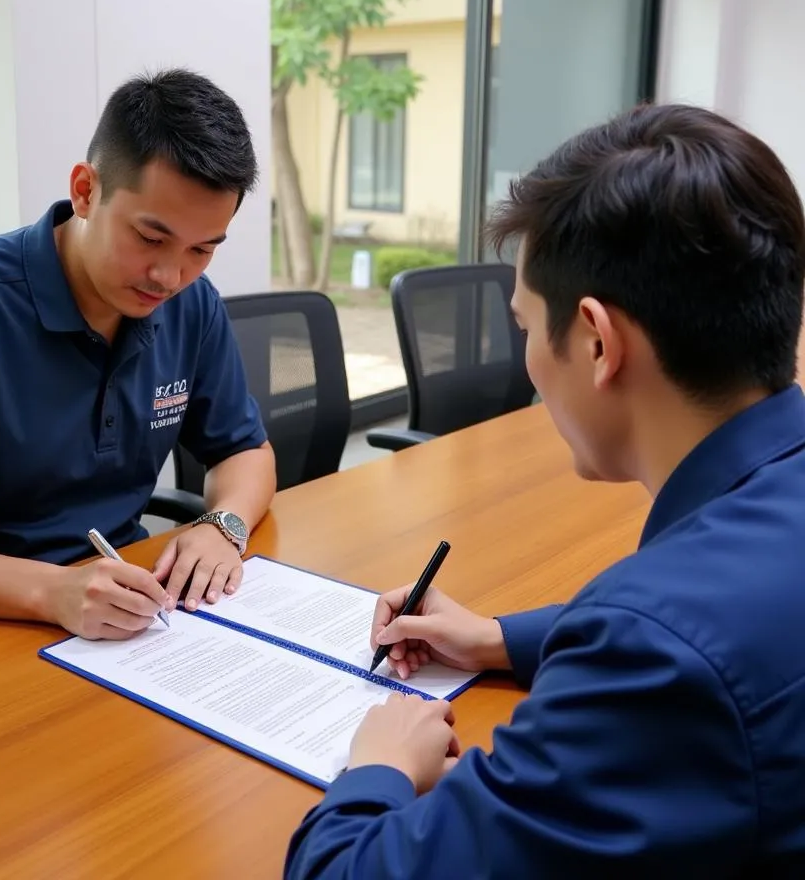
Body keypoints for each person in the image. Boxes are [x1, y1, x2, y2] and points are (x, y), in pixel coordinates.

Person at [285, 103, 805, 878]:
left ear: (597, 342)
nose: (529, 355)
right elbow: (725, 631)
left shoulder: (651, 656)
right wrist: (498, 639)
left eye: (525, 324)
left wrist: (378, 767)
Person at [0, 68, 277, 639]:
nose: (170, 276)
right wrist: (51, 590)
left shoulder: (190, 305)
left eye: (201, 249)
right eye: (150, 238)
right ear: (85, 191)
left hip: (108, 612)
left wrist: (223, 525)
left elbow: (245, 450)